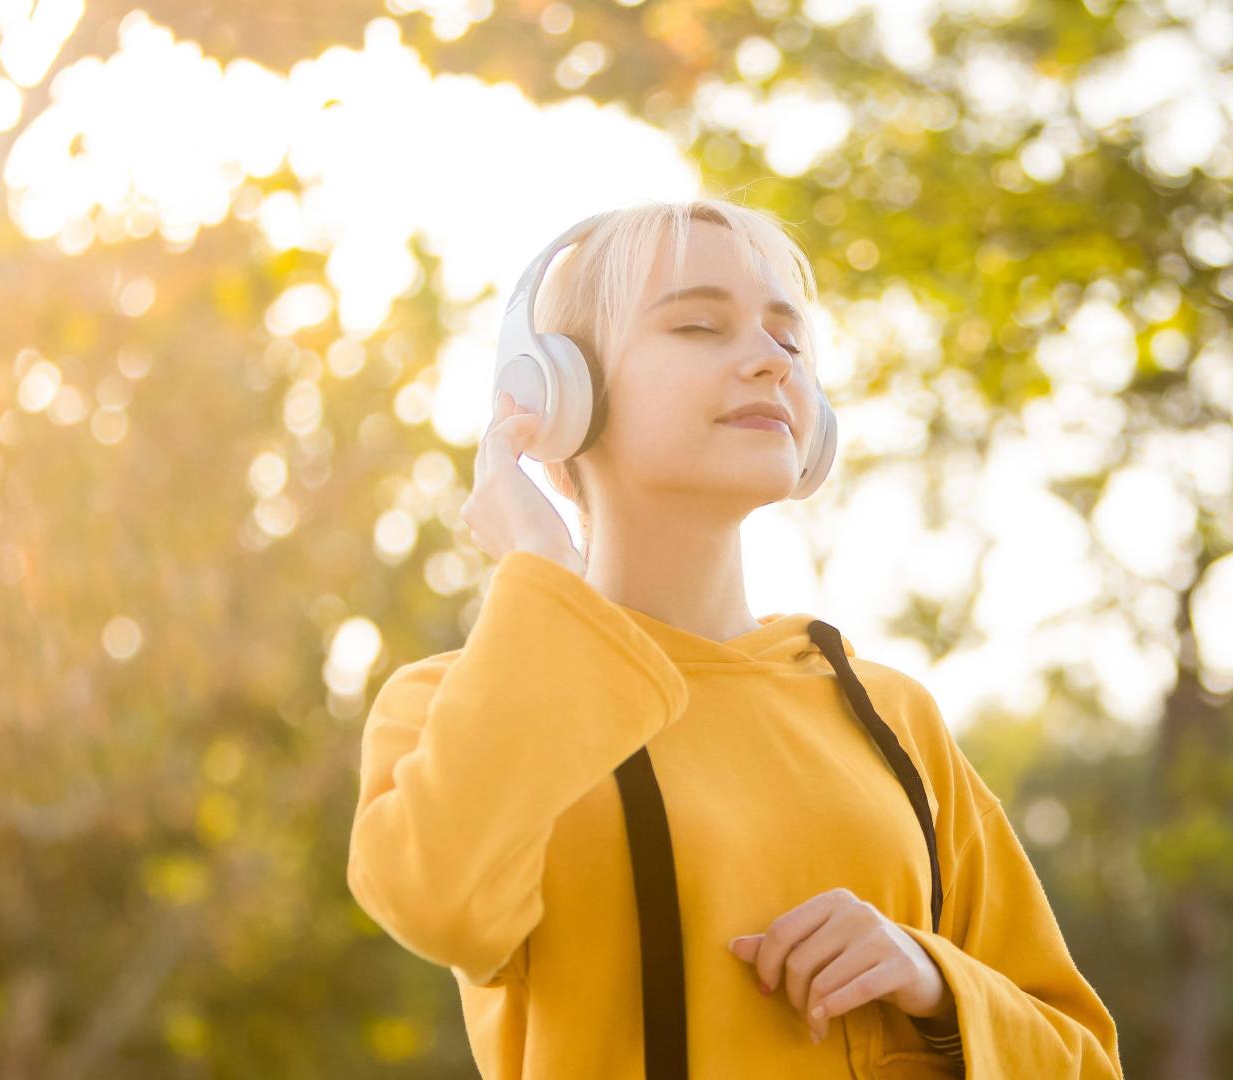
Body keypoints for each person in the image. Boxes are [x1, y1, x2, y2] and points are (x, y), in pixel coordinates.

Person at [345, 198, 1124, 1078]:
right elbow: (436, 900)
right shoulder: (454, 701)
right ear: (561, 392)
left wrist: (938, 986)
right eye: (700, 326)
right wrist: (542, 570)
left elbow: (1084, 1060)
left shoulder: (892, 714)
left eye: (789, 342)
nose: (768, 363)